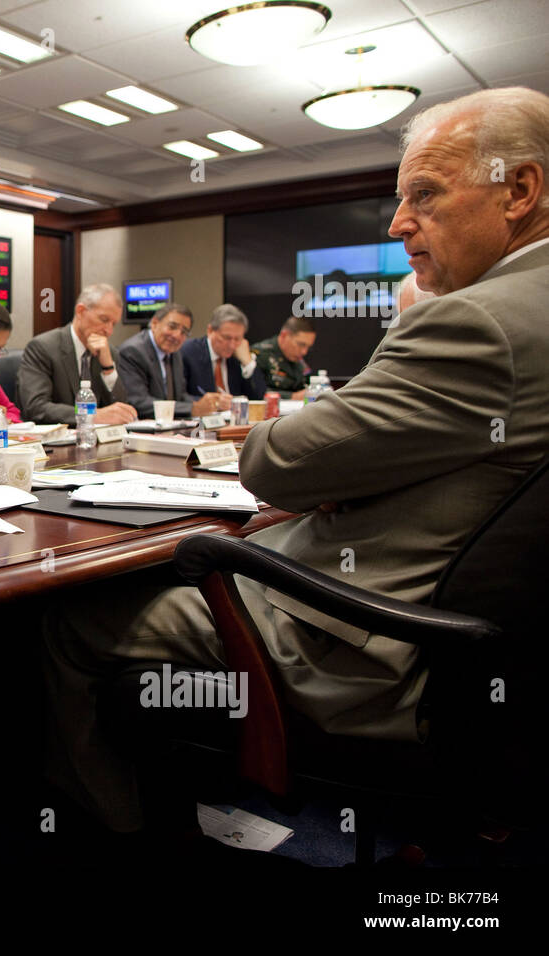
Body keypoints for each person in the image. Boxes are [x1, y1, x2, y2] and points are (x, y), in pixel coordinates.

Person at [43, 85, 549, 834]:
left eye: (424, 194)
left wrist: (343, 452)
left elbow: (276, 463)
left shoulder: (474, 321)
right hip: (488, 652)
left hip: (370, 648)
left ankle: (114, 841)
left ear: (521, 190)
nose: (398, 221)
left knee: (62, 615)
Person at [17, 283, 138, 425]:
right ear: (80, 311)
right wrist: (90, 416)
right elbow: (36, 407)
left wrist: (108, 368)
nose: (108, 330)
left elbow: (120, 410)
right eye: (104, 320)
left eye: (113, 324)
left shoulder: (109, 352)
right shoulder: (43, 347)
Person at [117, 303, 226, 419]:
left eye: (184, 332)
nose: (177, 335)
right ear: (154, 323)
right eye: (172, 327)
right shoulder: (132, 351)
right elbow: (139, 402)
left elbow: (180, 396)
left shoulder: (175, 352)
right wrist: (192, 409)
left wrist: (207, 403)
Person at [180, 304, 268, 408]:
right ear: (210, 331)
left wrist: (248, 363)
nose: (232, 345)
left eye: (237, 339)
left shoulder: (238, 356)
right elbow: (180, 397)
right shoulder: (188, 352)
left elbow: (259, 398)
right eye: (227, 338)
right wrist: (215, 402)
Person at [252, 316, 317, 400]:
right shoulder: (260, 355)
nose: (304, 352)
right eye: (301, 344)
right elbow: (254, 391)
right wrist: (292, 397)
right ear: (284, 335)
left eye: (308, 347)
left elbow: (306, 384)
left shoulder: (298, 360)